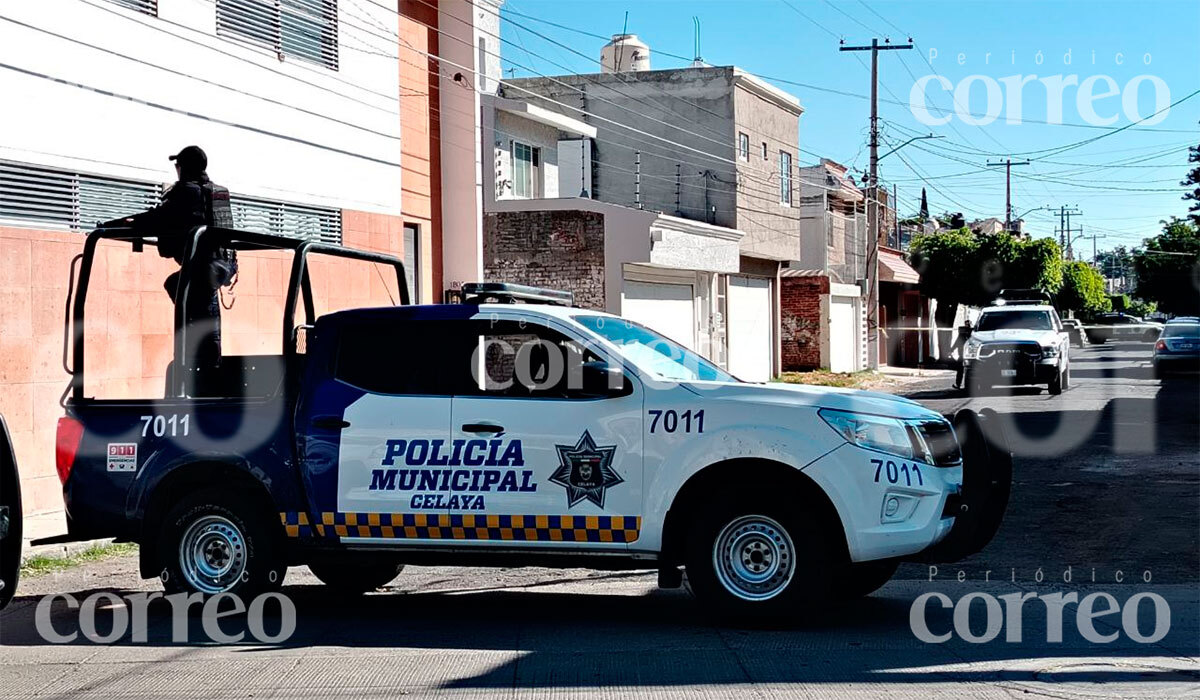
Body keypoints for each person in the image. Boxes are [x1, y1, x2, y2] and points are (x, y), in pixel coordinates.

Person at [102, 146, 235, 375]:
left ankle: (202, 368)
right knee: (190, 296)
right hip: (222, 265)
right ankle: (209, 364)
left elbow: (158, 219)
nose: (176, 170)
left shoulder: (185, 192)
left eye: (178, 166)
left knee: (189, 299)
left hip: (204, 268)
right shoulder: (217, 192)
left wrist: (117, 224)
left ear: (184, 168)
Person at [950, 318, 974, 389]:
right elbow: (957, 342)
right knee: (960, 370)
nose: (967, 325)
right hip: (962, 354)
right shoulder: (962, 334)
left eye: (969, 324)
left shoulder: (973, 334)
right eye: (966, 324)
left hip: (970, 355)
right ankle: (958, 384)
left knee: (970, 370)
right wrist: (952, 349)